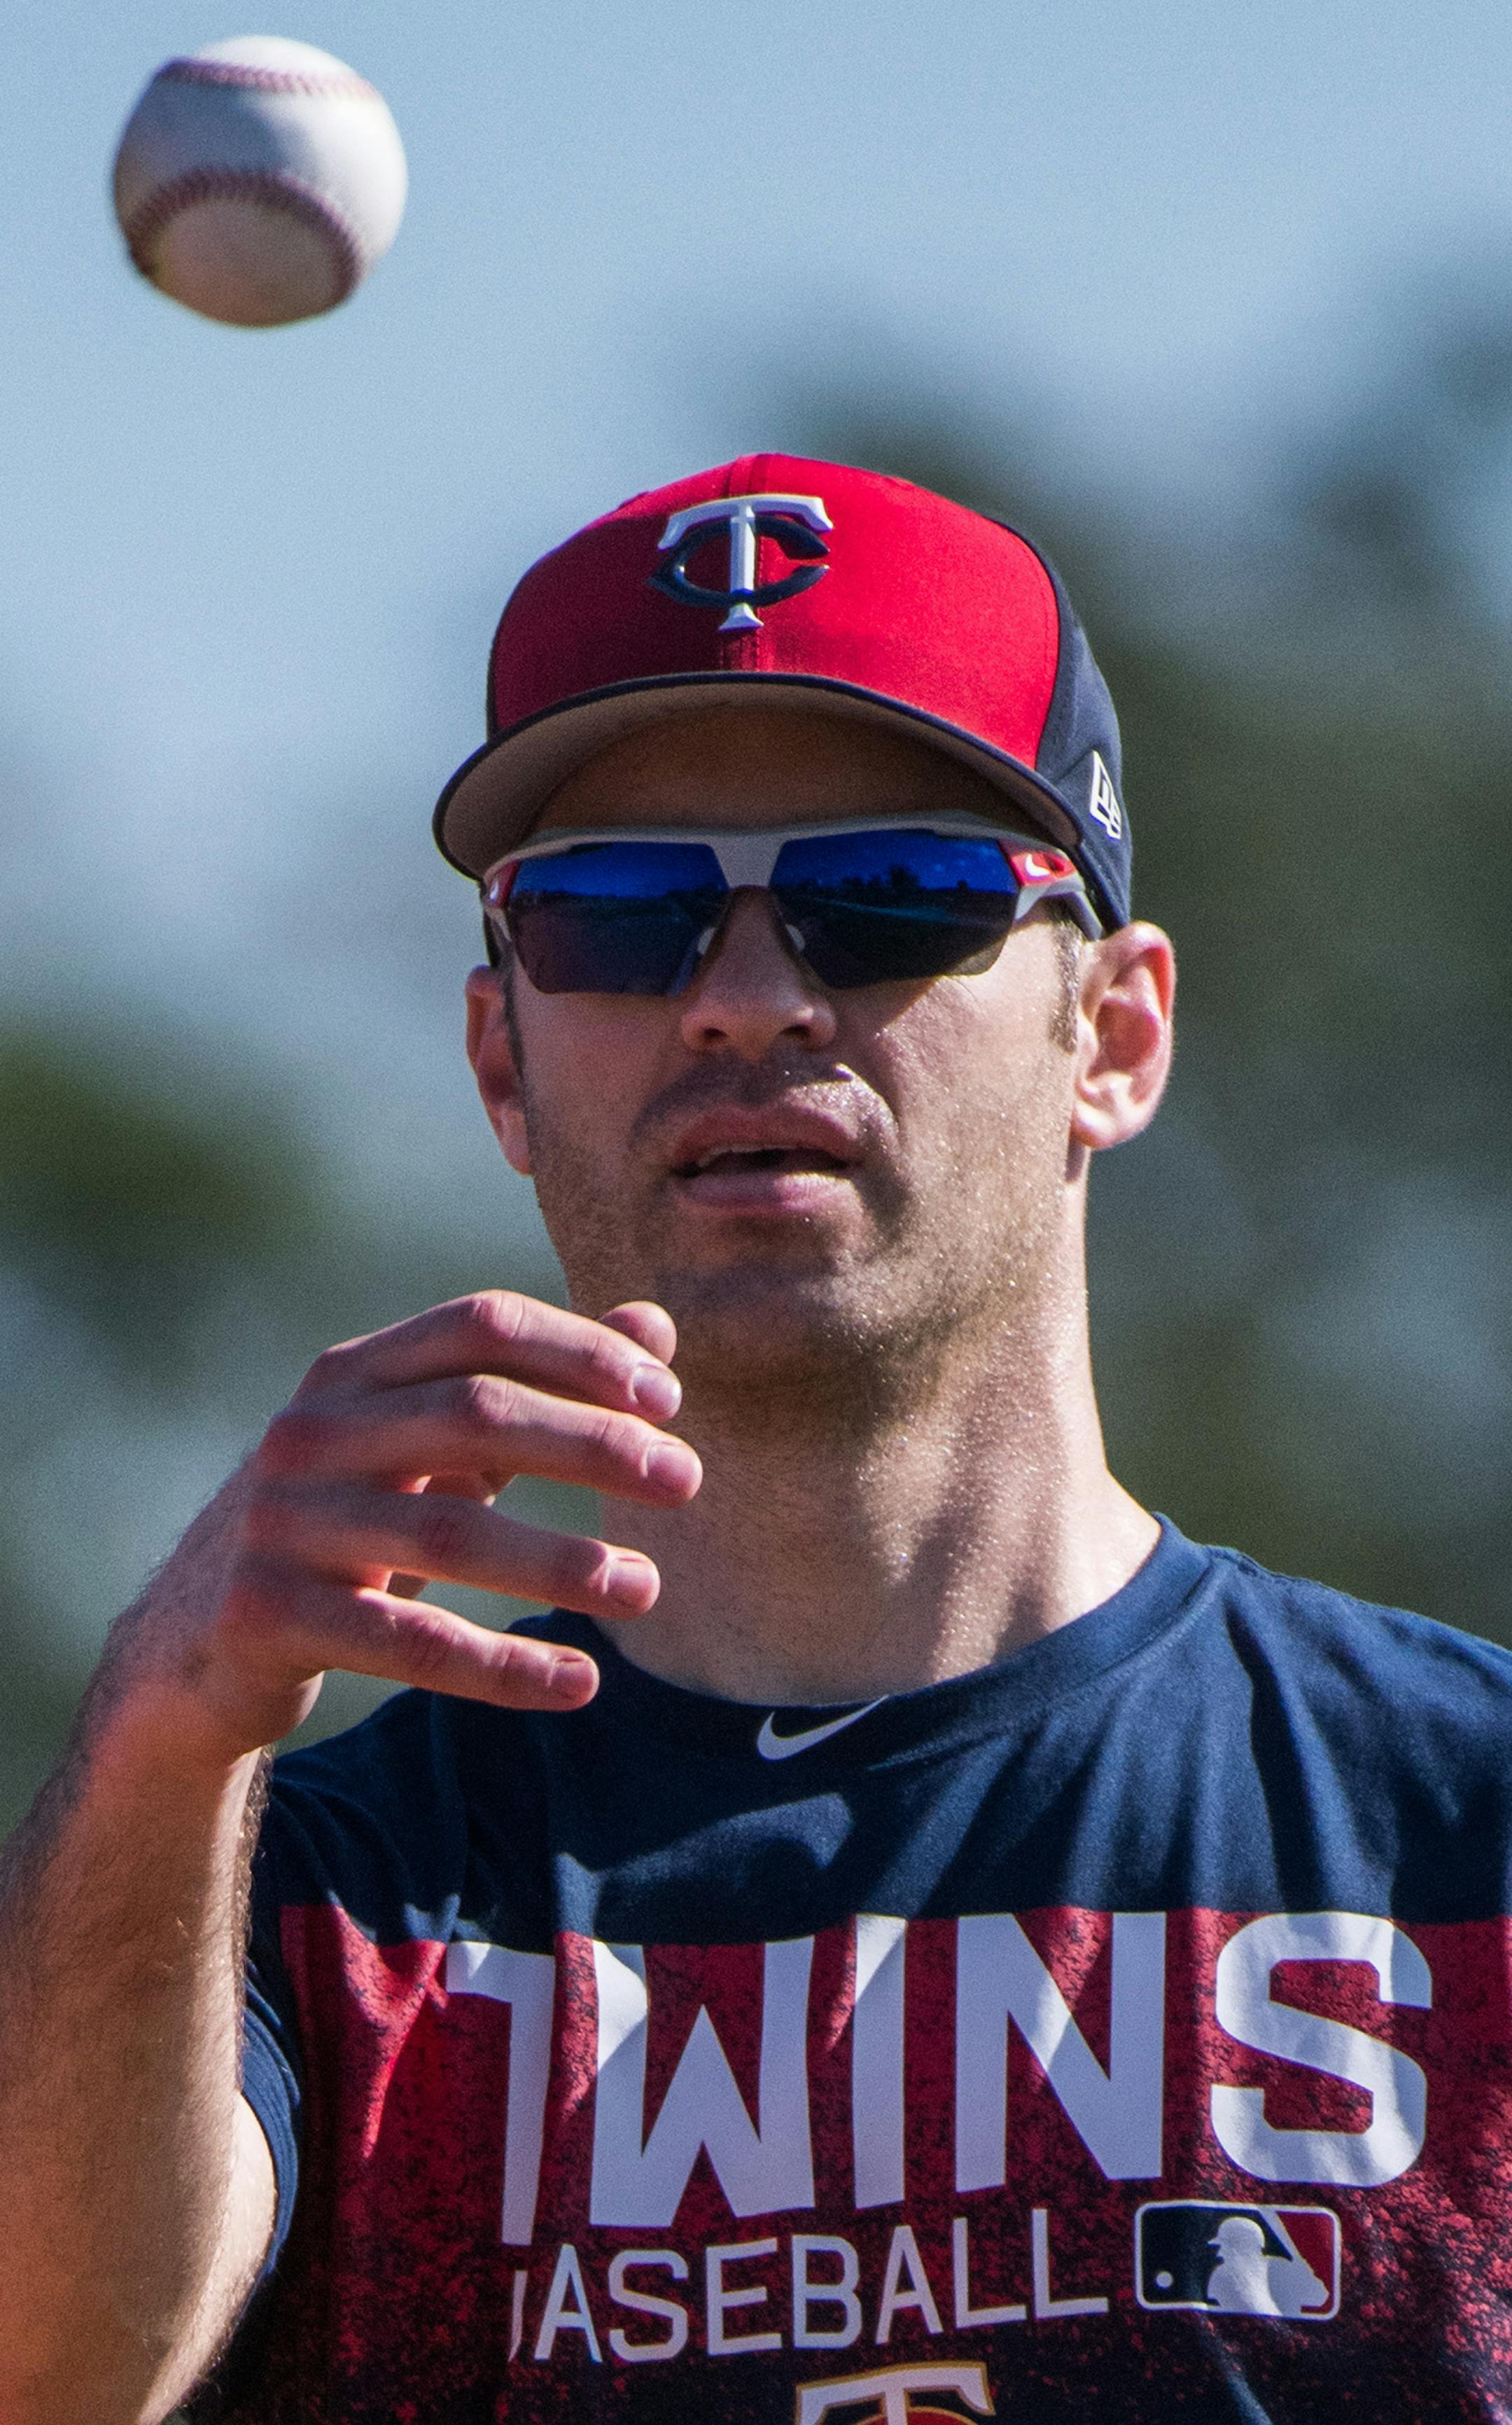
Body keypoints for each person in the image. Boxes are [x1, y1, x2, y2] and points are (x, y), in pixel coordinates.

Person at [1, 455, 1509, 2425]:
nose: (743, 999)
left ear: (1115, 1038)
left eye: (892, 899)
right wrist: (162, 1725)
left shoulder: (1463, 1831)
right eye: (619, 918)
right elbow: (60, 2371)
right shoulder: (305, 1909)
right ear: (499, 1061)